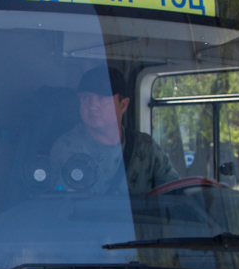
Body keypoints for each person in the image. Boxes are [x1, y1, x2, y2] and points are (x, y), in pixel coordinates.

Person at [46, 68, 174, 196]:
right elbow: (65, 203)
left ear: (122, 105)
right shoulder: (67, 147)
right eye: (86, 98)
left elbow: (176, 191)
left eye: (102, 98)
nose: (92, 106)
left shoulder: (145, 146)